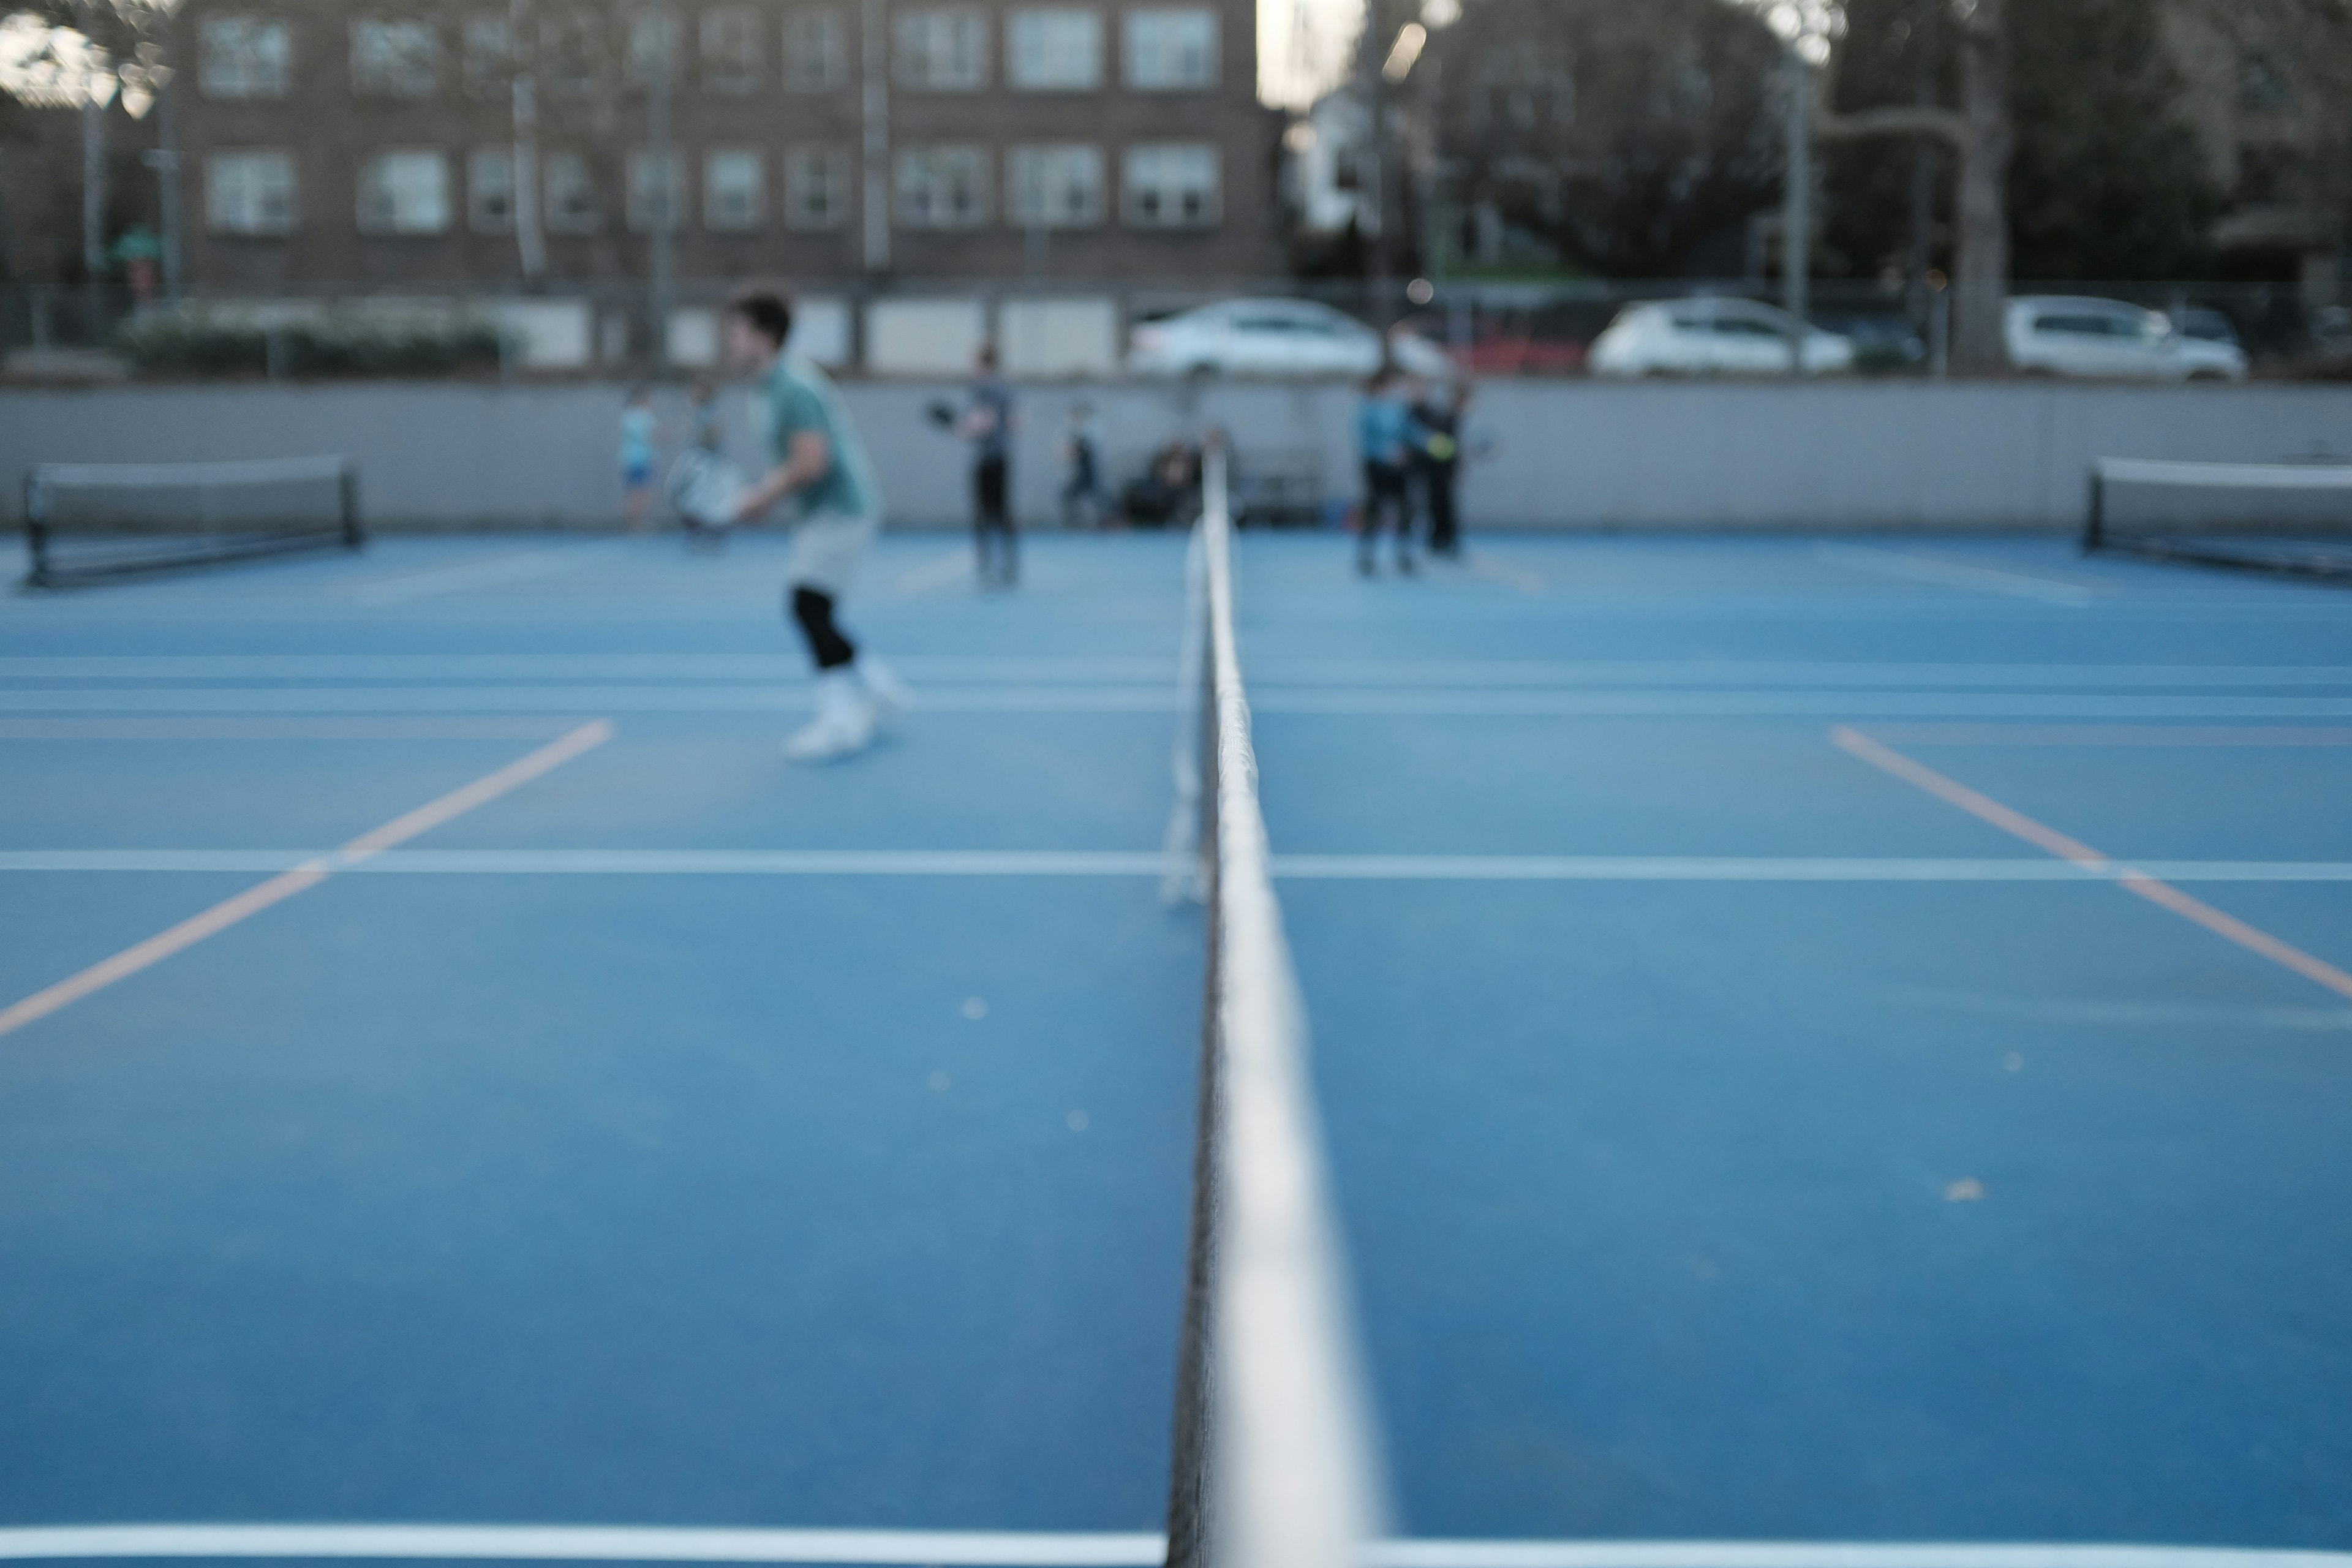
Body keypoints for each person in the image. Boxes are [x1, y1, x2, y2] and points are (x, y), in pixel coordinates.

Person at [724, 288, 910, 763]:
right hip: (822, 512)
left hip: (841, 508)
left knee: (807, 606)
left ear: (764, 336)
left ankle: (840, 718)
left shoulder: (793, 386)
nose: (731, 341)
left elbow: (812, 461)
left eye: (738, 331)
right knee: (817, 609)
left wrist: (760, 497)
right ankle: (879, 689)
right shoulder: (770, 387)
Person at [1354, 368, 1424, 576]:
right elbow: (1366, 442)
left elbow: (1412, 432)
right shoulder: (1367, 410)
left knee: (1406, 510)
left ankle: (1404, 554)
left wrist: (1431, 442)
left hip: (1399, 468)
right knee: (1374, 510)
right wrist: (1386, 454)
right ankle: (1367, 555)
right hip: (1377, 467)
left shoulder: (1397, 409)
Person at [963, 345, 1017, 586]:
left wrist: (964, 429)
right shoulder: (1006, 388)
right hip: (1003, 455)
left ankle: (986, 566)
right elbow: (1016, 422)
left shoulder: (983, 388)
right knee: (1003, 511)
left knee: (983, 513)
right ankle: (1009, 566)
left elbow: (983, 423)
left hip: (987, 458)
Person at [1409, 379, 1470, 558]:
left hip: (1445, 469)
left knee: (1445, 506)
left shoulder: (1448, 416)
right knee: (1437, 505)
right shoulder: (1443, 417)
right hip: (1435, 469)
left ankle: (1446, 540)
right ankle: (1437, 540)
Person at [1060, 401, 1109, 529]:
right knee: (1071, 496)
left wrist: (1070, 452)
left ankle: (1108, 522)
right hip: (1084, 475)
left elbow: (1078, 452)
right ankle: (1079, 522)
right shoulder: (1081, 434)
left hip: (1089, 475)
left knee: (1098, 499)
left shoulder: (1088, 434)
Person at [620, 385, 657, 531]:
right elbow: (652, 434)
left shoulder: (628, 416)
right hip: (639, 460)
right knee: (640, 493)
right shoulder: (641, 416)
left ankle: (635, 523)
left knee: (637, 492)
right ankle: (636, 524)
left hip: (630, 460)